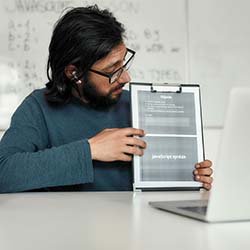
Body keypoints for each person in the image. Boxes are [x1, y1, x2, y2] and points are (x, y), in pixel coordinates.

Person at [0, 5, 213, 193]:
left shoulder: (138, 106)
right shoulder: (38, 108)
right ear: (74, 73)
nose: (126, 78)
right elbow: (4, 173)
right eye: (112, 70)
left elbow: (158, 190)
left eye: (124, 63)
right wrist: (90, 149)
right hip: (65, 231)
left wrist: (192, 178)